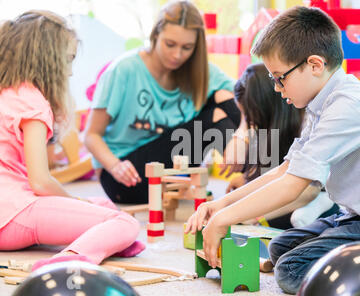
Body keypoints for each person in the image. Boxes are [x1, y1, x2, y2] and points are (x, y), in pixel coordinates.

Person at [185, 6, 360, 296]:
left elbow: (295, 186)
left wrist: (224, 219)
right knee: (280, 247)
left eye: (279, 77)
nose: (276, 87)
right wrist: (222, 206)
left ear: (314, 65)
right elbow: (287, 169)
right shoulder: (320, 104)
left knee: (291, 270)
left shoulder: (348, 106)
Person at [0, 10, 144, 272]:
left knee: (100, 205)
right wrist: (72, 202)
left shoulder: (7, 92)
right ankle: (71, 258)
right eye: (68, 61)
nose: (69, 73)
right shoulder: (32, 102)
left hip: (10, 211)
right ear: (49, 62)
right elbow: (41, 181)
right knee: (126, 223)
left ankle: (105, 240)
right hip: (13, 216)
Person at [84, 0, 242, 204]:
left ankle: (257, 178)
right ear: (155, 35)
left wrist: (242, 137)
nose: (177, 55)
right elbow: (91, 135)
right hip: (126, 178)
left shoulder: (201, 71)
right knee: (216, 112)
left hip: (176, 169)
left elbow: (249, 96)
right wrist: (115, 166)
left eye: (187, 47)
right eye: (170, 44)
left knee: (225, 98)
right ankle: (258, 179)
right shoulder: (124, 69)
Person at [222, 63, 335, 229]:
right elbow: (277, 170)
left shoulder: (309, 123)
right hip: (301, 192)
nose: (249, 122)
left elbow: (308, 190)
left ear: (268, 110)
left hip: (321, 199)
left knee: (275, 221)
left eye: (251, 116)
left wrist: (253, 215)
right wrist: (247, 181)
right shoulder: (271, 128)